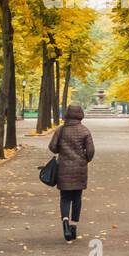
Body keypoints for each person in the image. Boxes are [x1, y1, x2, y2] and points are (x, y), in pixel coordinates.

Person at [48, 102, 94, 242]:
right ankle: (73, 227)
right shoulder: (85, 131)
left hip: (63, 168)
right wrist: (85, 159)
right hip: (80, 168)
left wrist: (61, 151)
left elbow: (52, 147)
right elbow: (91, 151)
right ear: (80, 114)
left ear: (67, 114)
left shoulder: (61, 130)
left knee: (65, 198)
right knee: (77, 198)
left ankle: (65, 223)